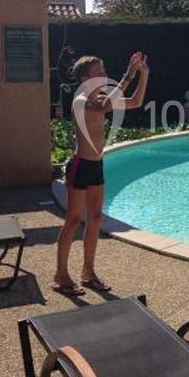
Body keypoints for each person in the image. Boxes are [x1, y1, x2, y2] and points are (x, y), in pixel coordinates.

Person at [53, 51, 150, 295]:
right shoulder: (80, 100)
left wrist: (143, 76)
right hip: (80, 166)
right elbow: (105, 107)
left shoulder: (102, 97)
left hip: (96, 165)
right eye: (100, 72)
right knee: (73, 220)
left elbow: (135, 102)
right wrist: (128, 74)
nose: (105, 75)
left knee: (95, 218)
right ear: (86, 79)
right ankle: (61, 275)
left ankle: (88, 272)